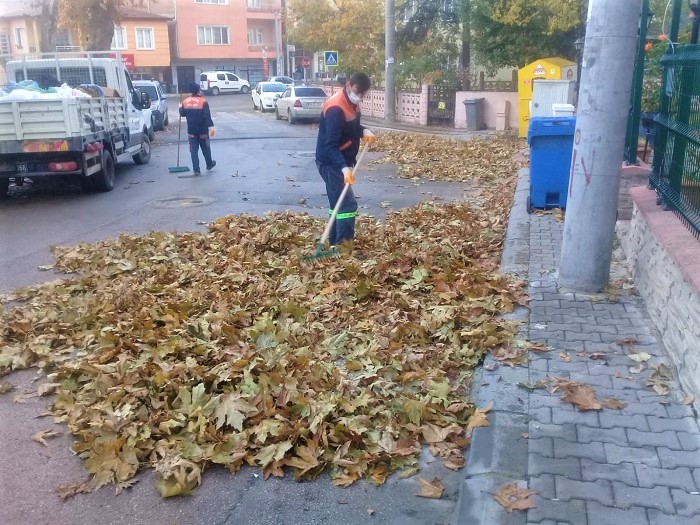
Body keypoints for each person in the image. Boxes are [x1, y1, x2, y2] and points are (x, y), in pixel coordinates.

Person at [315, 72, 376, 248]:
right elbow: (330, 145)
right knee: (347, 205)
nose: (360, 97)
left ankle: (335, 243)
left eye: (364, 94)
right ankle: (343, 249)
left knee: (337, 204)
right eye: (358, 92)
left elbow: (351, 127)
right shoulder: (336, 108)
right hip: (331, 162)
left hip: (340, 161)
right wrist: (343, 168)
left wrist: (364, 131)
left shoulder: (352, 103)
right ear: (348, 85)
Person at [179, 82, 216, 176]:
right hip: (203, 130)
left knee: (193, 150)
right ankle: (209, 164)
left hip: (191, 131)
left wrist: (180, 107)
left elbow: (182, 114)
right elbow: (207, 116)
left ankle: (196, 169)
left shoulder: (185, 102)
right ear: (198, 90)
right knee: (206, 148)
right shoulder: (203, 102)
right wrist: (211, 127)